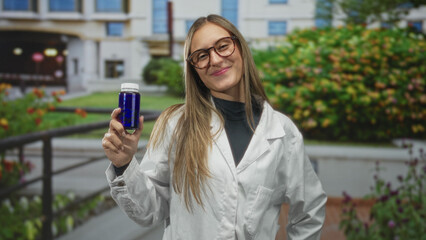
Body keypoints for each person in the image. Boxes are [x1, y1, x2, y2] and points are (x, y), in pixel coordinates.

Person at [103, 14, 327, 240]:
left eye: (223, 46)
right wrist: (124, 165)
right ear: (195, 70)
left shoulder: (282, 132)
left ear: (240, 47)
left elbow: (309, 210)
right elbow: (149, 212)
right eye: (201, 56)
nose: (216, 60)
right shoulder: (176, 125)